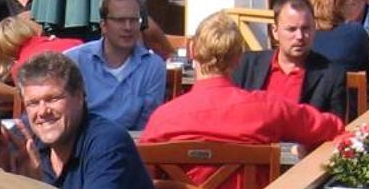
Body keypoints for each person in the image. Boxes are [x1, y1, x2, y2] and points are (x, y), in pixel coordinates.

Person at [15, 51, 163, 189]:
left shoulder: (108, 143)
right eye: (33, 103)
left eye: (53, 98)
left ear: (79, 97)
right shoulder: (24, 139)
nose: (42, 111)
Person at [140, 12, 345, 149]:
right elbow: (333, 127)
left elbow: (146, 180)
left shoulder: (163, 119)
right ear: (239, 57)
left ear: (192, 51)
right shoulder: (268, 108)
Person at [230, 0, 350, 117]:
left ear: (314, 29)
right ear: (275, 31)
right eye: (291, 29)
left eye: (306, 28)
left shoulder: (331, 75)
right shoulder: (247, 64)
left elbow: (335, 127)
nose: (300, 36)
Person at [72, 0, 167, 131]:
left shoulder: (153, 66)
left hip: (130, 145)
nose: (128, 27)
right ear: (103, 25)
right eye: (120, 20)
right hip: (83, 142)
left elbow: (146, 124)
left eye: (134, 20)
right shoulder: (76, 60)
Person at [302, 0, 369, 87]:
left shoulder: (299, 35)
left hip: (300, 103)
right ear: (340, 2)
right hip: (344, 103)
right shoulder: (355, 32)